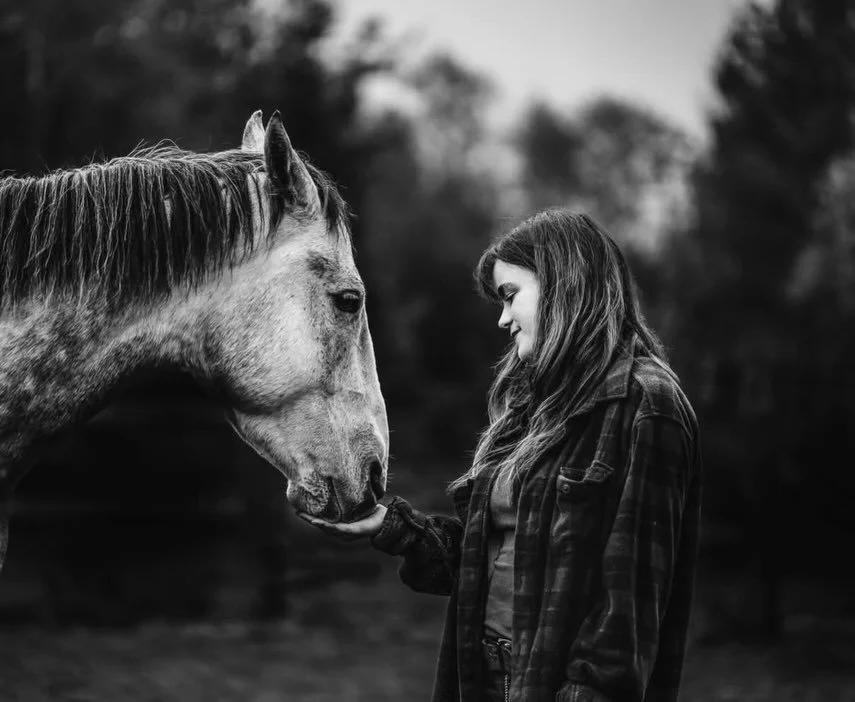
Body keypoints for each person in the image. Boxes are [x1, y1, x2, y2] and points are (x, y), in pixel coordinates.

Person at [299, 207, 702, 702]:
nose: (503, 318)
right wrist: (392, 529)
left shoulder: (645, 405)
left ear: (565, 284)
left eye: (511, 296)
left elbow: (629, 610)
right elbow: (484, 559)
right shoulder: (535, 405)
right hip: (485, 678)